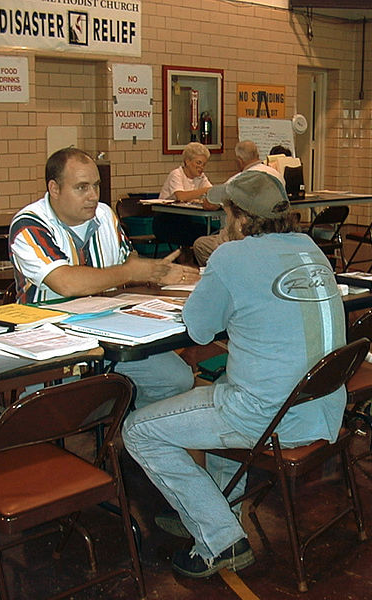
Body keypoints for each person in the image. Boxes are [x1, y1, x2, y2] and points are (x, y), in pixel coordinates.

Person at [122, 170, 346, 579]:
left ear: (240, 219)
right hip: (321, 406)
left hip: (267, 416)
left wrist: (222, 263)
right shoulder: (311, 247)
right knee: (223, 384)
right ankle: (211, 507)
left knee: (138, 431)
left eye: (227, 212)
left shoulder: (231, 255)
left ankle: (219, 540)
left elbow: (199, 328)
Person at [9, 147, 200, 409]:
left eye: (96, 186)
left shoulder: (104, 215)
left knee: (176, 379)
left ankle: (130, 433)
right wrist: (134, 271)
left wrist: (157, 272)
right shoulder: (29, 224)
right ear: (54, 189)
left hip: (109, 327)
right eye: (82, 187)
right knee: (46, 413)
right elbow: (65, 282)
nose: (93, 196)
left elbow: (128, 261)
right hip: (52, 337)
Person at [192, 140, 283, 266]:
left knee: (201, 245)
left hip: (242, 235)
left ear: (239, 160)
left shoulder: (238, 181)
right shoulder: (277, 175)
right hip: (273, 234)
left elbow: (209, 204)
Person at [156, 142, 217, 250]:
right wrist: (205, 190)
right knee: (199, 235)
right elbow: (181, 196)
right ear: (187, 161)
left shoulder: (201, 177)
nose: (201, 167)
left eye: (204, 164)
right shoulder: (176, 174)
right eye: (198, 163)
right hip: (167, 222)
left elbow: (213, 192)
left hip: (188, 219)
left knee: (212, 233)